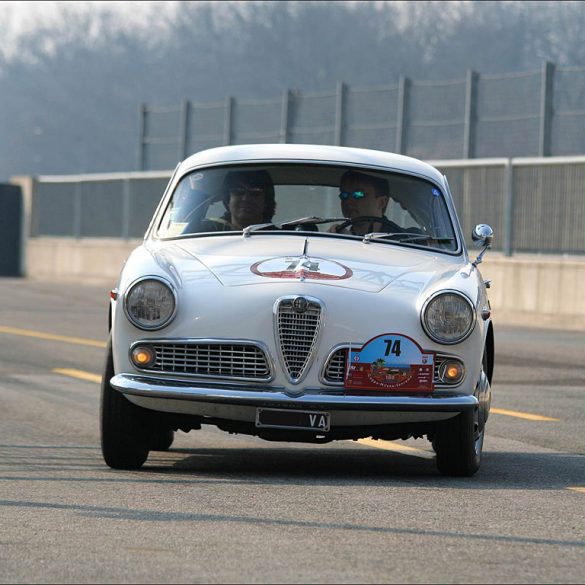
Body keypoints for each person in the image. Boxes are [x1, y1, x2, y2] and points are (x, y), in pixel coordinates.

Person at [330, 170, 400, 235]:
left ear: (382, 202)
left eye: (358, 194)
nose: (348, 201)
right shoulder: (340, 240)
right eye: (344, 195)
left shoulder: (403, 241)